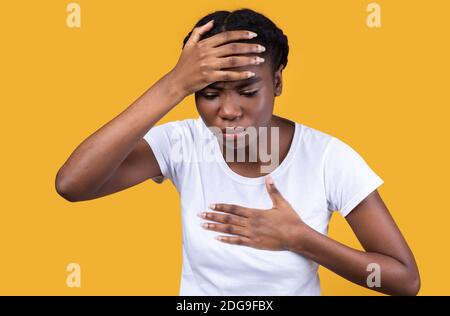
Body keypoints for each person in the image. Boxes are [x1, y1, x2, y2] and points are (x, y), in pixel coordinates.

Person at [55, 8, 420, 296]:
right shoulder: (184, 143)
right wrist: (174, 84)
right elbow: (73, 184)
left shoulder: (327, 158)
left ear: (276, 83)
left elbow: (404, 280)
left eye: (247, 92)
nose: (227, 110)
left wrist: (301, 239)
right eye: (209, 94)